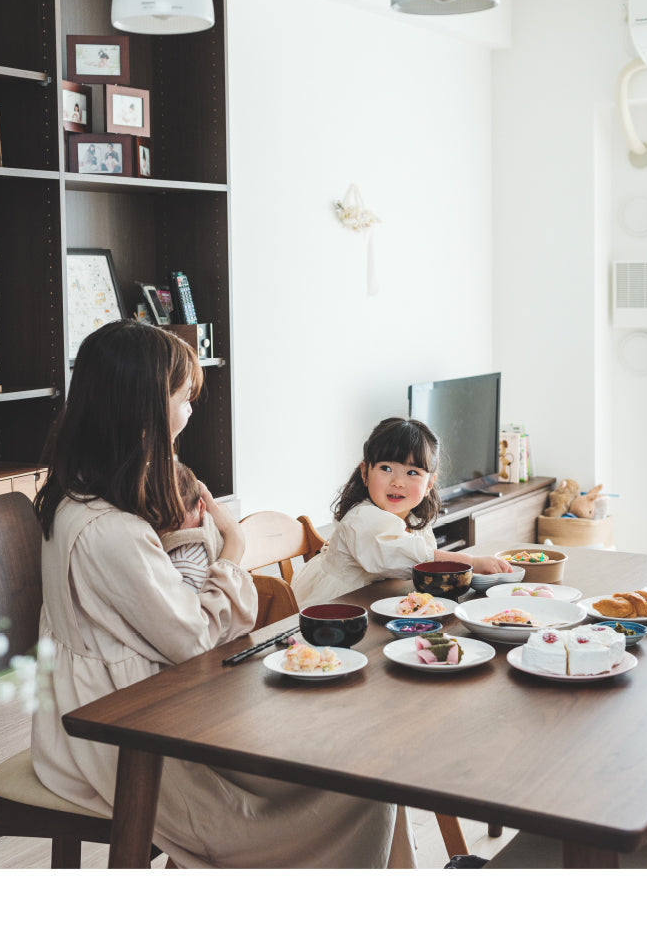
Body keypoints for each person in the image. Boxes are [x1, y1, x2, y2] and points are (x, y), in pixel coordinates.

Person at [30, 320, 415, 868]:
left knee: (351, 753)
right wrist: (232, 548)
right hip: (122, 735)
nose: (190, 411)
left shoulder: (89, 494)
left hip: (139, 703)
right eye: (183, 397)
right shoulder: (109, 530)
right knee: (359, 779)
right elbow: (190, 637)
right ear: (142, 407)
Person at [290, 417, 513, 609]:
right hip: (338, 603)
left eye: (412, 472)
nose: (397, 482)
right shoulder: (361, 518)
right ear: (365, 472)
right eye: (386, 468)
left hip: (379, 599)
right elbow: (404, 555)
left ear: (429, 485)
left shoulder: (415, 519)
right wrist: (469, 561)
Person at [160, 461, 219, 592]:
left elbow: (183, 611)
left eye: (174, 519)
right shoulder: (216, 526)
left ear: (201, 507)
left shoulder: (183, 564)